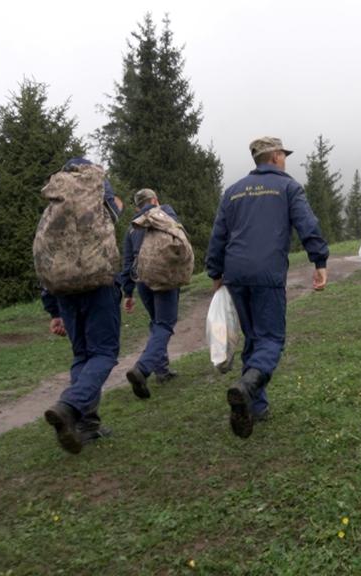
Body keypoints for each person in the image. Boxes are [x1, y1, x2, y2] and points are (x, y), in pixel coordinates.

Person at [206, 137, 329, 439]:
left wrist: (215, 271)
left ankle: (256, 407)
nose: (285, 160)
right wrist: (320, 260)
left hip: (235, 274)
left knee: (253, 338)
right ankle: (247, 386)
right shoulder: (287, 187)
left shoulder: (233, 191)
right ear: (274, 157)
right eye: (283, 155)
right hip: (267, 274)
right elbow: (307, 224)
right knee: (271, 338)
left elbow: (218, 233)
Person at [42, 157, 123, 454]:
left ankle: (87, 424)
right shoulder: (96, 187)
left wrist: (52, 308)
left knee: (82, 355)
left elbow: (48, 253)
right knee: (103, 353)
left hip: (63, 289)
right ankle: (71, 407)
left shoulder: (56, 202)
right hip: (98, 285)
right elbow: (114, 215)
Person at [122, 188, 180, 399]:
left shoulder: (132, 227)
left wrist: (127, 293)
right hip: (164, 277)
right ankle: (143, 369)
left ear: (138, 206)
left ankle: (162, 370)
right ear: (155, 200)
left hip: (141, 279)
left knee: (157, 322)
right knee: (164, 324)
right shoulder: (165, 214)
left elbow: (127, 261)